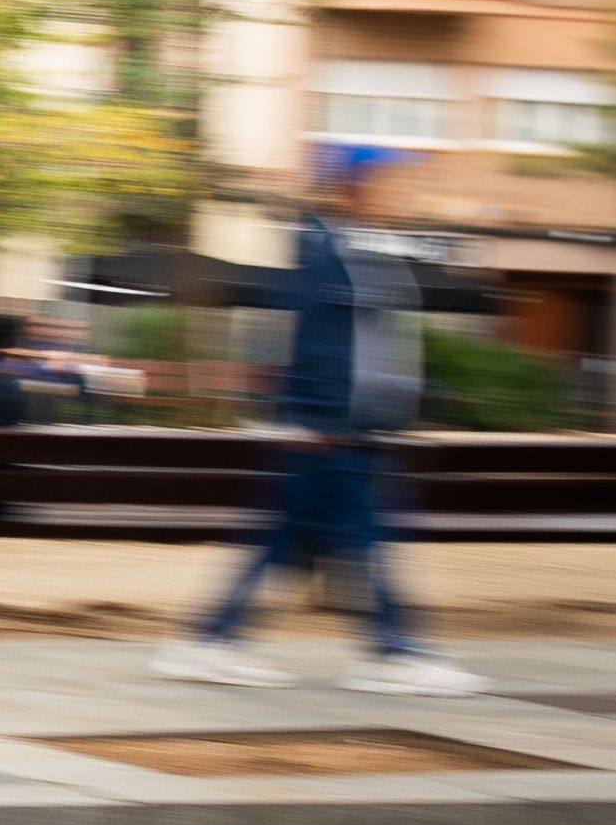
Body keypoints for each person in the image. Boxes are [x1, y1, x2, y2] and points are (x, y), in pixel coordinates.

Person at [153, 147, 488, 696]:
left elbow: (372, 346)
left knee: (291, 544)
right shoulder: (326, 250)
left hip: (346, 430)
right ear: (350, 186)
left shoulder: (352, 247)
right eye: (390, 179)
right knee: (361, 541)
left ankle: (212, 641)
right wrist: (315, 420)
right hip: (331, 434)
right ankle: (394, 649)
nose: (401, 191)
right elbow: (312, 345)